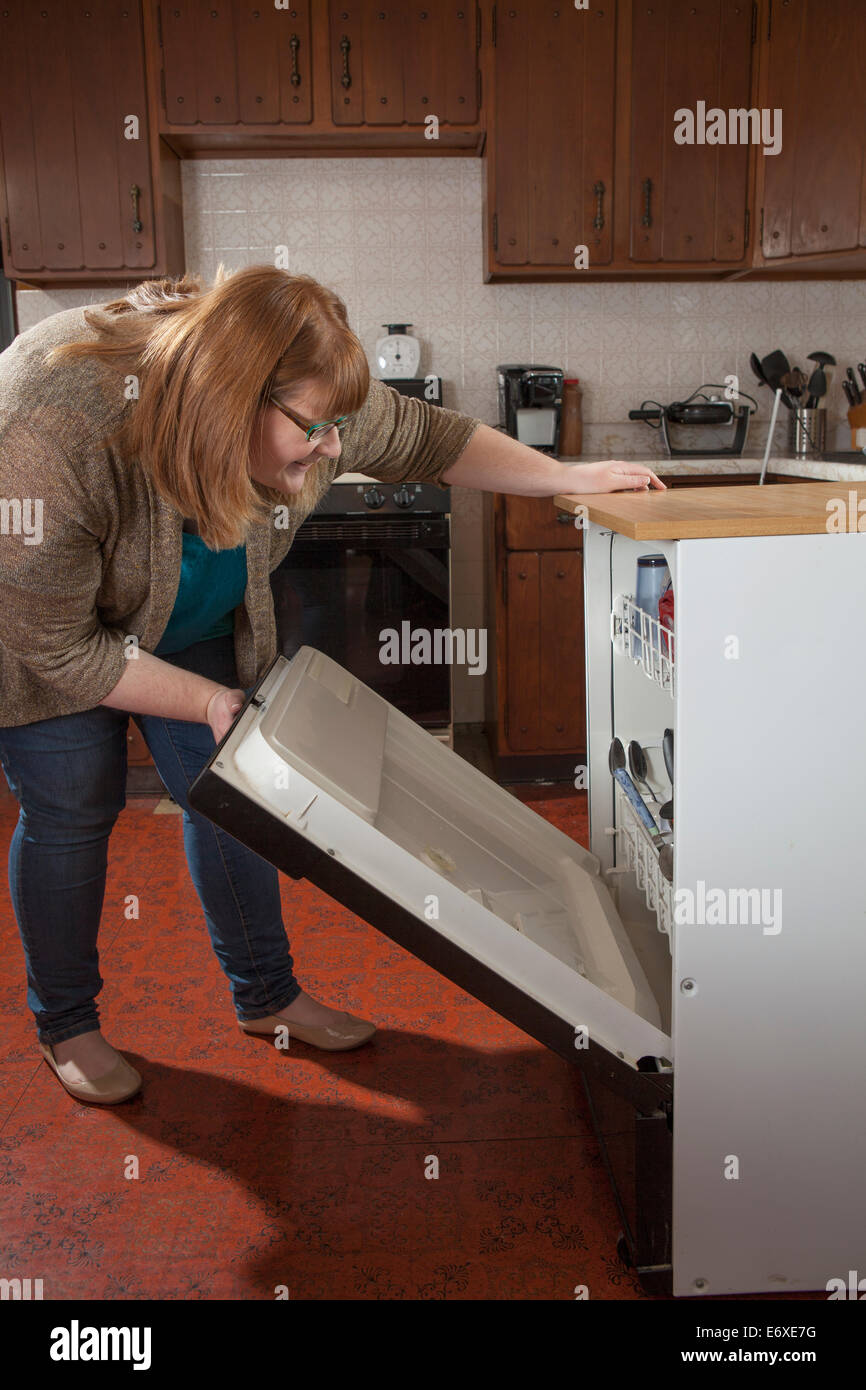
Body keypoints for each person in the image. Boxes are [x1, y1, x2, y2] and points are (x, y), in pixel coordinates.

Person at [0, 263, 663, 1105]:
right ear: (228, 401)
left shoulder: (306, 384)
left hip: (195, 618)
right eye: (316, 431)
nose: (336, 452)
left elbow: (429, 437)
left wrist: (564, 476)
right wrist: (204, 700)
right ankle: (68, 1025)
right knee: (72, 807)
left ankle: (267, 998)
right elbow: (55, 648)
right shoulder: (53, 415)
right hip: (47, 628)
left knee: (235, 793)